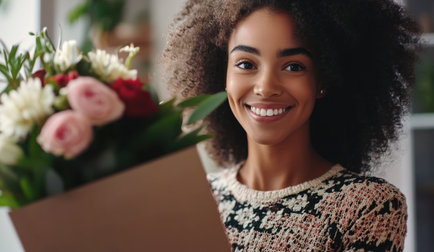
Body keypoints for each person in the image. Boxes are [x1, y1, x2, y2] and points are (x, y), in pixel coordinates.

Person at [162, 0, 420, 251]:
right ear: (222, 75)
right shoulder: (197, 200)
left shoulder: (367, 207)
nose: (265, 87)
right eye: (245, 64)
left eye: (293, 66)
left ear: (322, 79)